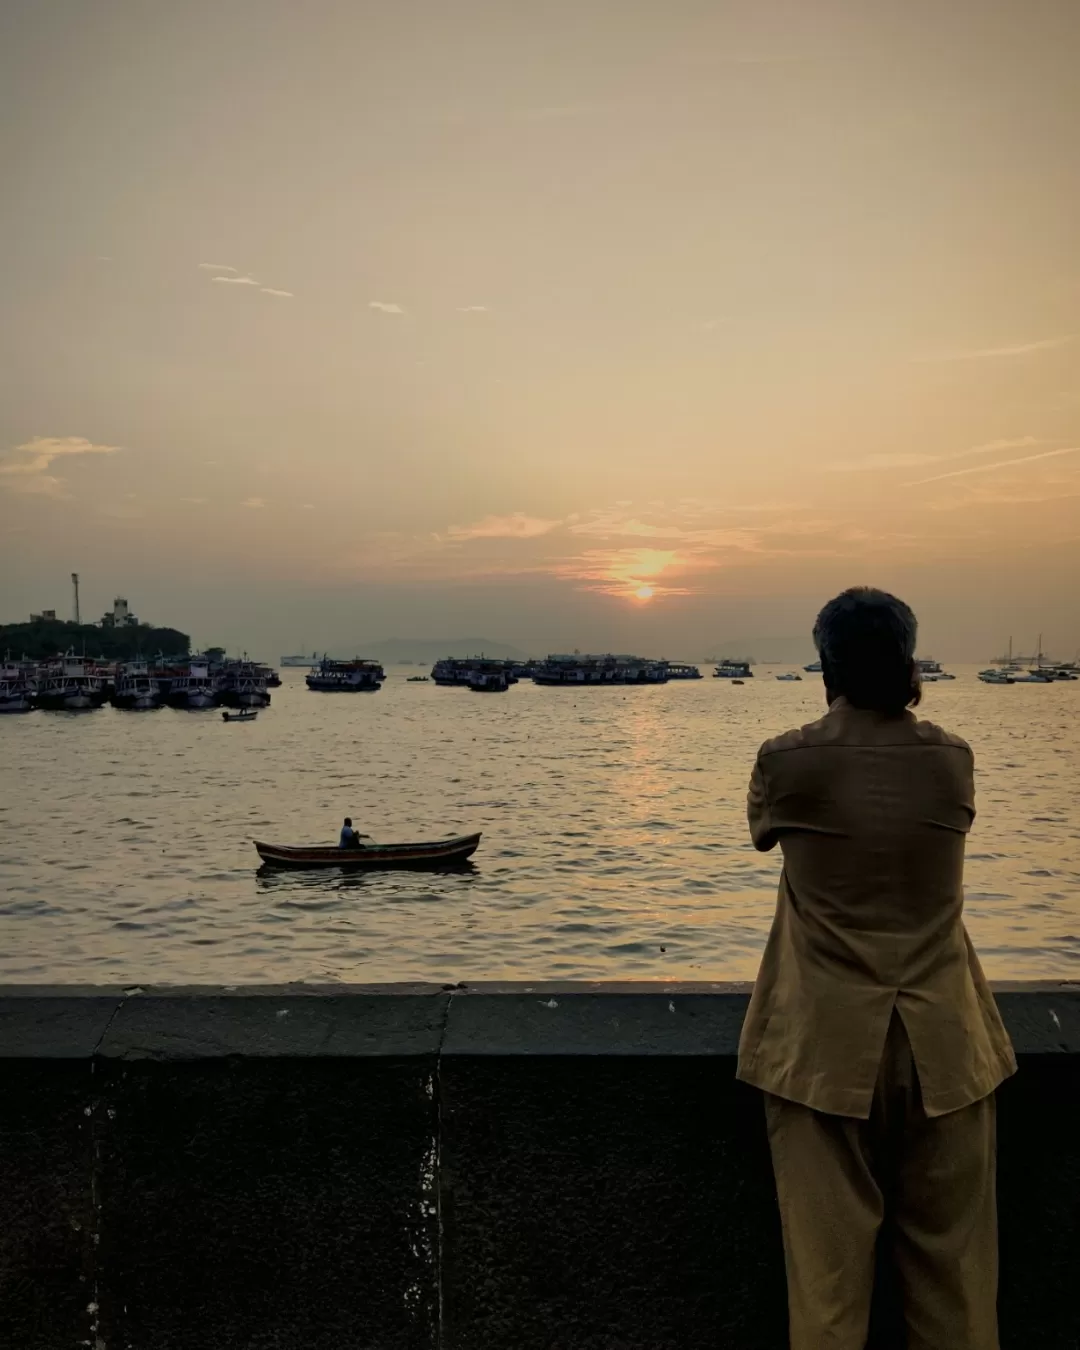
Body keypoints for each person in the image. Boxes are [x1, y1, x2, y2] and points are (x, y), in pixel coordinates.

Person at [738, 586, 1016, 1350]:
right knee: (957, 1295)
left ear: (826, 663)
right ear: (909, 657)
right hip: (948, 1050)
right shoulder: (950, 761)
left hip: (823, 1053)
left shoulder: (789, 761)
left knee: (827, 1297)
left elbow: (763, 830)